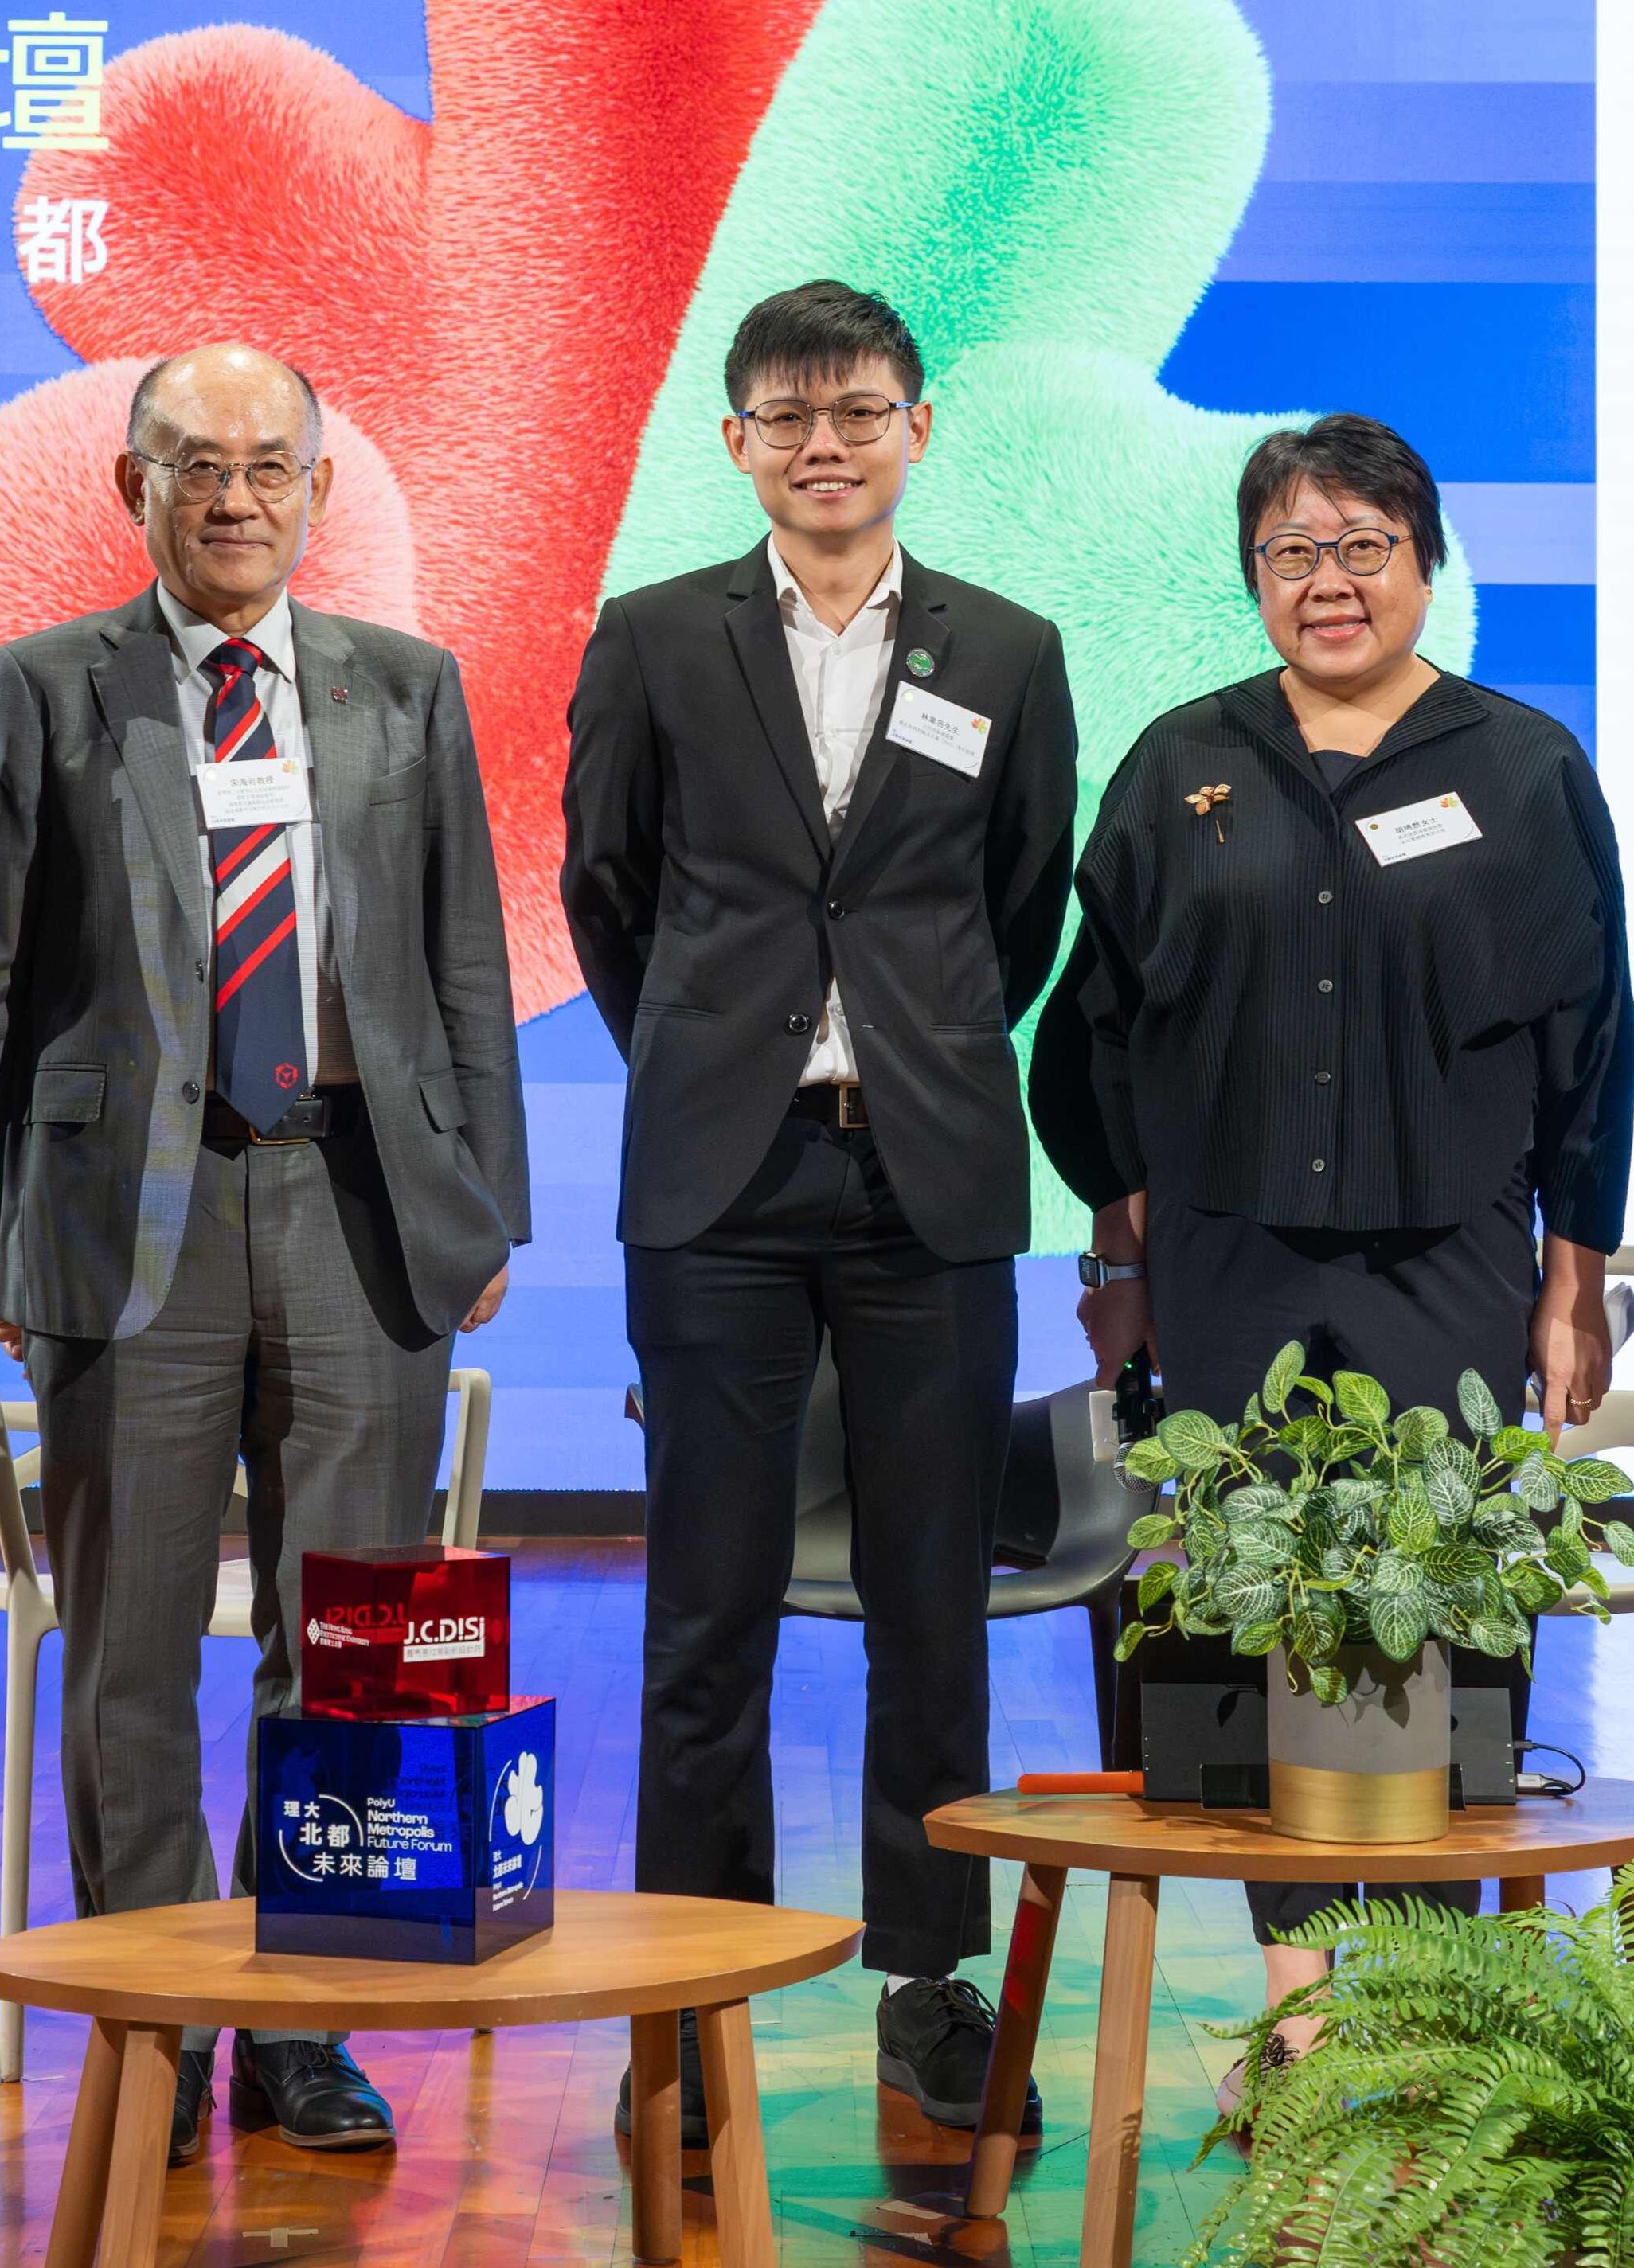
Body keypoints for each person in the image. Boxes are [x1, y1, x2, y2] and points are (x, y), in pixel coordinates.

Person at [0, 342, 528, 2168]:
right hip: (136, 1221)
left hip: (358, 1205)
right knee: (126, 1649)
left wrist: (479, 1194)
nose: (234, 493)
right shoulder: (41, 690)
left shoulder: (403, 688)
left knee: (352, 1638)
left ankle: (302, 2017)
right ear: (135, 487)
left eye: (269, 463)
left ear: (319, 489)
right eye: (194, 461)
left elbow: (463, 965)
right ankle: (154, 2010)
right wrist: (4, 1228)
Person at [1034, 413, 1634, 2121]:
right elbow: (1093, 1027)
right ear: (1251, 578)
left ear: (1424, 560)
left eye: (1362, 544)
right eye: (1292, 551)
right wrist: (1119, 1228)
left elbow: (1592, 1038)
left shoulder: (1518, 765)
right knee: (1230, 1631)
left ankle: (1429, 2020)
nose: (1329, 582)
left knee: (1443, 1625)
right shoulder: (1180, 765)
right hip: (1223, 1265)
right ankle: (1300, 2027)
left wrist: (1569, 1269)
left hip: (1447, 1260)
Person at [560, 280, 1078, 2141]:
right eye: (786, 417)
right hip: (718, 1176)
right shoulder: (654, 638)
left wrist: (912, 1051)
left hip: (927, 1171)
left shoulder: (1005, 650)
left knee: (928, 1601)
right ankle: (690, 1995)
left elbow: (1020, 912)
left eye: (857, 409)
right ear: (736, 444)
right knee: (707, 1606)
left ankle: (924, 1985)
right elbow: (608, 890)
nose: (825, 444)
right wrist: (723, 1051)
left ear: (916, 427)